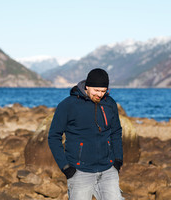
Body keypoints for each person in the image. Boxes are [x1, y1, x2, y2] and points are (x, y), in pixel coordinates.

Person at [48, 68, 124, 200]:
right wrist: (66, 167)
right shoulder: (68, 105)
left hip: (108, 170)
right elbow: (54, 136)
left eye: (103, 91)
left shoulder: (110, 103)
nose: (100, 95)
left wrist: (118, 160)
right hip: (79, 172)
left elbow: (116, 132)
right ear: (87, 86)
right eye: (96, 90)